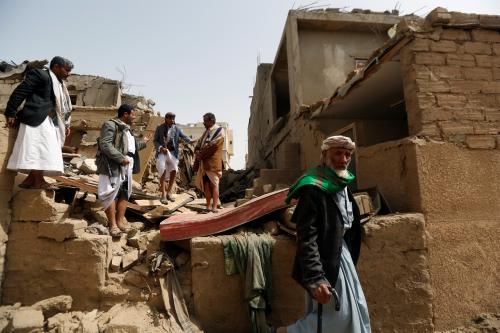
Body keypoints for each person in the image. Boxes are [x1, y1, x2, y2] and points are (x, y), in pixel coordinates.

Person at [277, 135, 371, 333]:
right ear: (324, 155)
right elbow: (306, 236)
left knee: (356, 310)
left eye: (347, 154)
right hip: (324, 260)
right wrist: (316, 278)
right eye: (338, 153)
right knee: (340, 315)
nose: (343, 159)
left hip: (341, 257)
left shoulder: (342, 183)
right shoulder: (313, 188)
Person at [4, 56, 74, 190]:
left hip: (49, 121)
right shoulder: (40, 74)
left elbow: (62, 107)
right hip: (36, 118)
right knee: (40, 149)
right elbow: (20, 92)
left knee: (44, 149)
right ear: (56, 67)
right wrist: (11, 112)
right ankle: (39, 180)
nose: (68, 73)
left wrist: (66, 124)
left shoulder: (60, 84)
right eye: (67, 70)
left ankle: (30, 180)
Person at [96, 104, 150, 237]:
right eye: (133, 114)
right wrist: (120, 158)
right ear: (125, 114)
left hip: (127, 165)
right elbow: (105, 144)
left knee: (124, 192)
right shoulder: (110, 125)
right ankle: (112, 225)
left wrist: (144, 142)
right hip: (113, 164)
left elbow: (131, 146)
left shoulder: (127, 129)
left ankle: (120, 223)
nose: (134, 117)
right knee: (111, 193)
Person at [153, 112, 192, 204]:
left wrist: (190, 141)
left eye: (174, 119)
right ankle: (163, 195)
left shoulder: (177, 128)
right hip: (162, 152)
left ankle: (169, 193)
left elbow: (184, 136)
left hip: (173, 153)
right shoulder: (159, 128)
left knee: (174, 170)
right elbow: (155, 141)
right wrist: (160, 148)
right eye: (170, 119)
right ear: (166, 119)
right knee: (162, 170)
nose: (172, 120)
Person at [194, 112, 224, 213]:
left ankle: (214, 207)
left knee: (214, 184)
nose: (203, 123)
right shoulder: (205, 132)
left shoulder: (219, 131)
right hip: (204, 164)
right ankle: (208, 206)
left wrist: (201, 155)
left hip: (213, 163)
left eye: (205, 121)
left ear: (211, 121)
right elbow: (198, 145)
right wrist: (198, 151)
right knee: (206, 185)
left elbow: (214, 146)